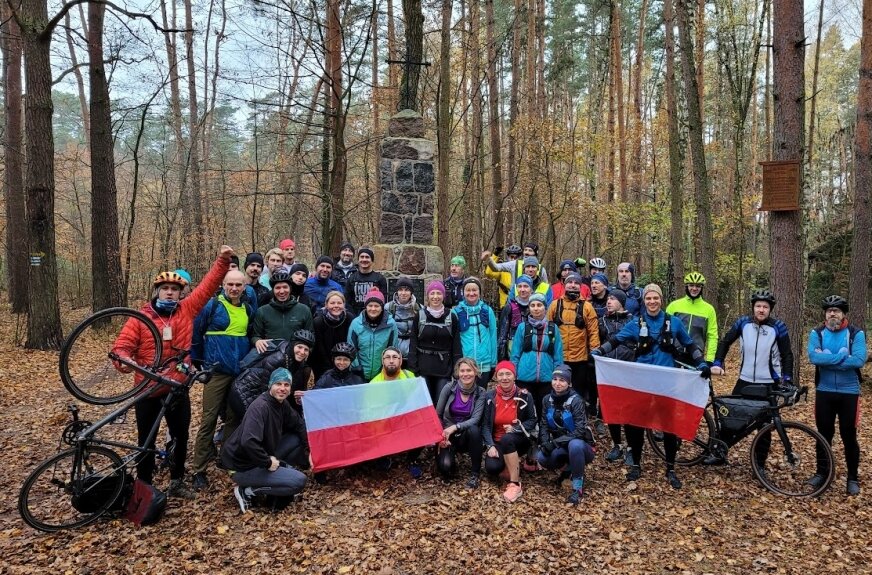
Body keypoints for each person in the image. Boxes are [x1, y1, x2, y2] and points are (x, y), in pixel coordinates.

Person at [112, 246, 234, 499]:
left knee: (180, 435)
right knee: (146, 439)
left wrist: (223, 260)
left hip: (177, 388)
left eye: (175, 289)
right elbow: (121, 348)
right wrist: (124, 361)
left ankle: (177, 479)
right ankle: (144, 484)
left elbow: (208, 286)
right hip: (147, 390)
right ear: (157, 291)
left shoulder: (186, 310)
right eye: (165, 288)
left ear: (181, 293)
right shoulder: (141, 318)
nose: (170, 292)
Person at [592, 283, 709, 489]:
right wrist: (599, 352)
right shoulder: (636, 324)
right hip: (641, 382)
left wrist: (701, 362)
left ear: (661, 300)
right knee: (634, 423)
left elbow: (690, 344)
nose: (652, 302)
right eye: (648, 299)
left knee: (669, 426)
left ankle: (670, 468)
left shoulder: (674, 323)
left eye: (655, 298)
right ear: (643, 301)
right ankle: (636, 464)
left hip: (666, 383)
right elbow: (616, 340)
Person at [190, 269, 257, 491]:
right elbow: (196, 334)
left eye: (239, 285)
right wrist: (200, 363)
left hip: (238, 373)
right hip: (216, 372)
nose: (234, 288)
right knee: (208, 418)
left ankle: (226, 457)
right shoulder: (213, 306)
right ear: (224, 285)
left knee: (233, 416)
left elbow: (250, 335)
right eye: (230, 284)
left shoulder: (248, 308)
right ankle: (198, 469)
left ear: (245, 287)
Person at [220, 368, 308, 514]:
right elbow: (248, 442)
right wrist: (267, 462)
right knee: (298, 482)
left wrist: (308, 450)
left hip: (261, 454)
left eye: (286, 385)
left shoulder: (281, 404)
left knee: (295, 438)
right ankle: (247, 491)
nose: (282, 388)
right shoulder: (260, 407)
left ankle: (279, 473)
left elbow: (299, 424)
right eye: (278, 384)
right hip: (242, 465)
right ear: (270, 386)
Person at [807, 295, 866, 496]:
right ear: (825, 313)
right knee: (823, 434)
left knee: (849, 435)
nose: (832, 313)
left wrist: (827, 358)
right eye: (829, 310)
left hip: (849, 392)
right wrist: (842, 356)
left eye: (837, 310)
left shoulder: (855, 334)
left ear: (843, 314)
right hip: (824, 391)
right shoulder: (817, 333)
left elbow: (858, 360)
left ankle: (852, 478)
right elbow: (814, 357)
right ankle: (822, 473)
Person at [537, 364, 596, 505]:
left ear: (569, 383)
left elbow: (580, 431)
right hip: (561, 445)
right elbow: (544, 424)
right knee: (541, 457)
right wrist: (545, 443)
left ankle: (577, 487)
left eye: (562, 380)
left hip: (582, 446)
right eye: (555, 379)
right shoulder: (547, 400)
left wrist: (555, 443)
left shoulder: (576, 401)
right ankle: (568, 469)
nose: (557, 383)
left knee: (574, 445)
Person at [547, 272, 600, 424]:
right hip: (559, 357)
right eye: (570, 282)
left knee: (578, 391)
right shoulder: (555, 305)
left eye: (576, 283)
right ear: (564, 285)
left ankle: (579, 420)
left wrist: (594, 352)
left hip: (580, 358)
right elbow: (548, 329)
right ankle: (557, 419)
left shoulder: (587, 307)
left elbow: (593, 332)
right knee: (558, 388)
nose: (573, 285)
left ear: (581, 286)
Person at [482, 361, 537, 503]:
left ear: (514, 376)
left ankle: (515, 484)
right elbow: (486, 426)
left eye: (508, 374)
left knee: (508, 438)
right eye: (501, 374)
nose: (504, 378)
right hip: (497, 441)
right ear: (496, 377)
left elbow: (532, 420)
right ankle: (509, 464)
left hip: (519, 440)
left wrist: (516, 428)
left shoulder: (525, 396)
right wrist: (490, 446)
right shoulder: (490, 396)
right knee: (492, 468)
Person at [230, 330, 315, 419]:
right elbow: (266, 389)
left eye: (306, 350)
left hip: (260, 392)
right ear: (293, 345)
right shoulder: (277, 359)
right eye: (299, 347)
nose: (302, 352)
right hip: (245, 391)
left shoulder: (298, 362)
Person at [510, 292, 564, 419]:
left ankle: (543, 436)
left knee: (544, 409)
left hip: (546, 376)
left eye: (539, 305)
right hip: (525, 376)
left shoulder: (552, 328)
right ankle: (525, 435)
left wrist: (558, 375)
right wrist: (514, 373)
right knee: (524, 407)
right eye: (533, 305)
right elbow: (515, 353)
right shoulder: (523, 327)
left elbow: (558, 353)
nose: (536, 308)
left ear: (545, 308)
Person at [597, 289, 636, 463]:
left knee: (628, 410)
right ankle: (617, 444)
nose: (608, 301)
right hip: (608, 371)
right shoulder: (602, 321)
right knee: (611, 409)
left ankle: (631, 447)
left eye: (612, 299)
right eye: (607, 299)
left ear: (621, 302)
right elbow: (596, 342)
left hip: (629, 371)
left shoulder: (633, 321)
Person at [408, 280, 462, 404]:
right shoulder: (420, 316)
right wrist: (413, 368)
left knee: (440, 403)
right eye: (432, 293)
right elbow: (413, 343)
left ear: (443, 296)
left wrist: (456, 369)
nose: (435, 297)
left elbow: (456, 345)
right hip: (422, 370)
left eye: (439, 293)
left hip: (444, 370)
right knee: (424, 403)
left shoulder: (451, 317)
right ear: (428, 296)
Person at [435, 358, 486, 488]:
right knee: (446, 468)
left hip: (466, 434)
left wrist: (456, 427)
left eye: (469, 370)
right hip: (447, 434)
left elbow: (475, 419)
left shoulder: (481, 392)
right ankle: (450, 458)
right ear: (458, 373)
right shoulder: (449, 387)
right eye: (462, 371)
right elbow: (438, 415)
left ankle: (475, 473)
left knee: (474, 429)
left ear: (475, 372)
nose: (465, 374)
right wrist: (441, 436)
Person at [250, 271, 313, 354]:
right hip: (270, 357)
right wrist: (257, 341)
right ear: (273, 290)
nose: (282, 291)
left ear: (290, 288)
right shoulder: (262, 311)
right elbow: (255, 335)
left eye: (285, 287)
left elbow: (311, 336)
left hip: (295, 357)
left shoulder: (304, 310)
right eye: (278, 288)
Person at [453, 277, 498, 387]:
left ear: (479, 292)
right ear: (463, 292)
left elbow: (493, 336)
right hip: (464, 367)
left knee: (481, 398)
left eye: (474, 290)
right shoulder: (456, 312)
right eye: (468, 290)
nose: (471, 293)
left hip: (484, 365)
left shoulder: (487, 311)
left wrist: (493, 362)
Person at [666, 272, 718, 364]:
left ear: (701, 288)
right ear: (686, 286)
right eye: (691, 285)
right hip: (674, 355)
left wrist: (710, 359)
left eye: (698, 286)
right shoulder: (674, 306)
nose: (694, 288)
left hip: (696, 357)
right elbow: (665, 330)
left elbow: (712, 335)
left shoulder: (709, 309)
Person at [348, 288, 399, 381]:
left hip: (382, 373)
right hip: (359, 373)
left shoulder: (391, 324)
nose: (373, 309)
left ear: (382, 307)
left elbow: (393, 348)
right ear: (365, 307)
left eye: (376, 306)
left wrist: (385, 367)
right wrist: (357, 368)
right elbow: (351, 348)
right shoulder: (356, 323)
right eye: (370, 305)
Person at [312, 291, 353, 379]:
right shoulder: (318, 321)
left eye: (339, 303)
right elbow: (319, 346)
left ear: (344, 304)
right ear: (326, 305)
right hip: (323, 364)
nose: (336, 306)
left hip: (345, 363)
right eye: (332, 303)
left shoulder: (349, 318)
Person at [384, 277, 421, 361]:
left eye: (407, 290)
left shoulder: (419, 309)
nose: (403, 293)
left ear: (411, 292)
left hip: (412, 351)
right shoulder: (388, 308)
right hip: (393, 353)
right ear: (397, 291)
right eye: (400, 290)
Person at [497, 274, 533, 360]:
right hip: (513, 352)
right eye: (519, 286)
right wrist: (501, 358)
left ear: (531, 289)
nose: (522, 289)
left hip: (532, 351)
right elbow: (502, 335)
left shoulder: (536, 306)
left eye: (526, 286)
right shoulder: (509, 307)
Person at [345, 247, 388, 316]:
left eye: (367, 257)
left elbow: (384, 301)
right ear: (358, 260)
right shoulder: (352, 278)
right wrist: (352, 315)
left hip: (374, 314)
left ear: (372, 260)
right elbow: (347, 300)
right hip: (355, 315)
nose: (364, 259)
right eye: (362, 257)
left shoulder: (380, 278)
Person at [484, 245, 522, 310]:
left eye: (516, 258)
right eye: (511, 257)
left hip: (520, 304)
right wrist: (495, 255)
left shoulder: (523, 270)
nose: (513, 260)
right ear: (508, 257)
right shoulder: (503, 269)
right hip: (504, 305)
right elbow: (488, 273)